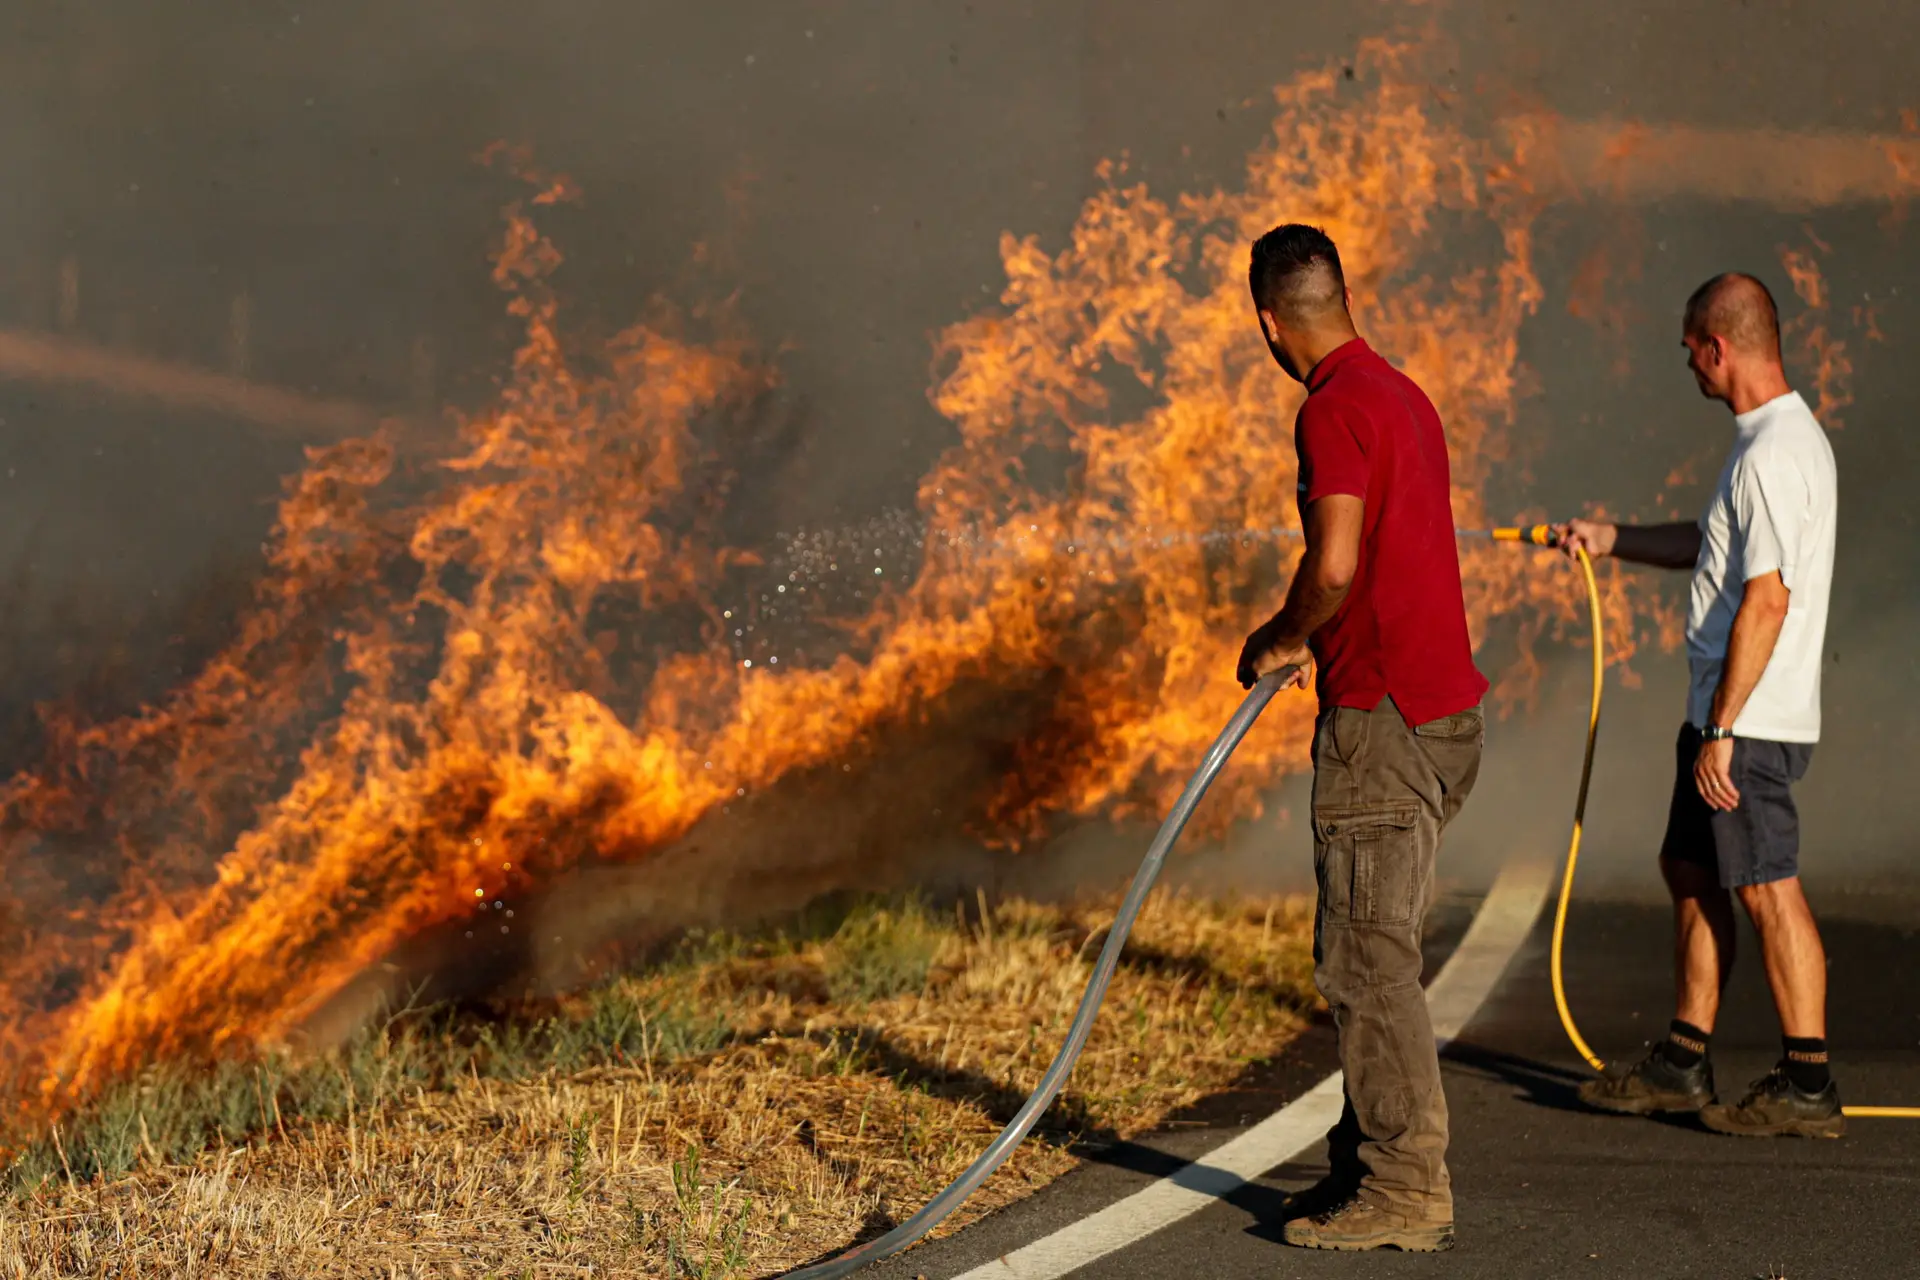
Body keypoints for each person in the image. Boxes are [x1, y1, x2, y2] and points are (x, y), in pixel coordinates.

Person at [1237, 223, 1489, 1252]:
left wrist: (1281, 635)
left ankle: (1404, 1186)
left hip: (1381, 721)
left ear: (1267, 321)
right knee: (1372, 943)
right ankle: (1362, 1164)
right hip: (1444, 715)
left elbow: (1334, 565)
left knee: (1365, 961)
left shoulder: (1333, 409)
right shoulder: (1402, 393)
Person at [1557, 272, 1843, 1138]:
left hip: (1746, 724)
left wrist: (1720, 730)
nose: (1688, 365)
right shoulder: (1768, 444)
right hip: (1725, 717)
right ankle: (1683, 1062)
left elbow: (1766, 599)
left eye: (1691, 350)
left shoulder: (1772, 454)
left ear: (1719, 347)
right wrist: (1616, 541)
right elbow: (1714, 549)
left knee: (1765, 885)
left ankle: (1809, 1083)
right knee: (1691, 869)